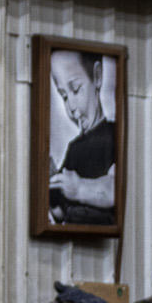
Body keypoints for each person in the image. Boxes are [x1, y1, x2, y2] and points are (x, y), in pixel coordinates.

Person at [46, 49, 118, 227]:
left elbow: (114, 189)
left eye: (76, 90)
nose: (70, 106)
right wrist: (50, 186)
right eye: (64, 96)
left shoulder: (113, 134)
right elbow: (60, 214)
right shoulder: (74, 148)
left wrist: (79, 189)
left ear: (98, 76)